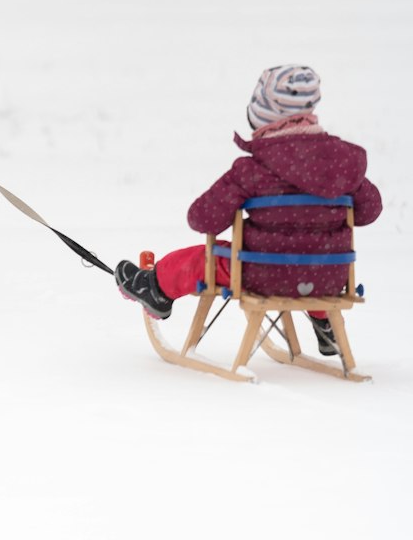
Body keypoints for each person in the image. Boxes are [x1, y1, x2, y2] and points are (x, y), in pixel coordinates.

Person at [114, 65, 382, 355]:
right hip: (328, 278)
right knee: (311, 260)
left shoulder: (253, 170)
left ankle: (155, 288)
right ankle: (326, 321)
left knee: (205, 258)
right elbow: (370, 210)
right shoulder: (341, 167)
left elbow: (202, 219)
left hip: (261, 275)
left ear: (263, 114)